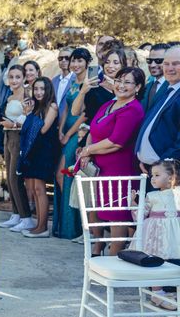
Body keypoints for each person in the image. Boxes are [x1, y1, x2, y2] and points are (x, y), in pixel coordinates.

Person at [78, 67, 146, 255]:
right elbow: (93, 129)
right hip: (101, 168)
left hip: (119, 169)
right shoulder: (109, 104)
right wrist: (89, 152)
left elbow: (116, 142)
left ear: (138, 87)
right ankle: (102, 250)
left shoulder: (133, 109)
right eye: (119, 80)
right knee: (102, 212)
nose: (121, 85)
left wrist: (87, 150)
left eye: (127, 82)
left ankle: (114, 258)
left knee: (117, 216)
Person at [53, 47, 92, 239]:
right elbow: (67, 108)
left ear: (87, 62)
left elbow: (84, 113)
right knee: (60, 176)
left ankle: (74, 228)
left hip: (78, 134)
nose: (75, 64)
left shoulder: (89, 83)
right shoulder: (72, 82)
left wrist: (68, 134)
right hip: (65, 131)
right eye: (73, 61)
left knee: (66, 176)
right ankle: (65, 225)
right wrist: (60, 129)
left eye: (79, 61)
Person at [132, 159, 180, 310]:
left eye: (157, 175)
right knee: (156, 262)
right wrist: (134, 203)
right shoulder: (151, 196)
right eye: (152, 175)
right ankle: (157, 293)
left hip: (176, 232)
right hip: (155, 234)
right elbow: (140, 216)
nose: (152, 178)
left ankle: (174, 291)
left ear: (171, 177)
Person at [18, 77, 60, 237]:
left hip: (44, 151)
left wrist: (29, 114)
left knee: (40, 189)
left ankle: (43, 227)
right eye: (36, 89)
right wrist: (28, 113)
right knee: (34, 189)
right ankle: (37, 224)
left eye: (42, 89)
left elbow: (42, 129)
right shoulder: (36, 107)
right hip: (32, 151)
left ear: (48, 90)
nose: (39, 92)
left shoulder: (52, 106)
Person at [0, 65, 33, 231]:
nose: (14, 80)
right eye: (11, 77)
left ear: (24, 78)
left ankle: (26, 217)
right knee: (9, 178)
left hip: (19, 137)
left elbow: (29, 117)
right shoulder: (9, 97)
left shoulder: (27, 96)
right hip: (7, 135)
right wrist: (1, 121)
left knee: (15, 177)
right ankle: (16, 214)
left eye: (18, 77)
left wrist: (14, 124)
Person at [136, 45, 180, 172]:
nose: (169, 68)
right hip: (150, 168)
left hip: (166, 171)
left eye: (176, 64)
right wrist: (143, 157)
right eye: (166, 64)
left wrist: (163, 165)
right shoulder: (169, 90)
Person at [71, 47, 125, 122]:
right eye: (107, 62)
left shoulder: (126, 89)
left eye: (115, 62)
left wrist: (117, 90)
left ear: (123, 66)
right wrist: (82, 91)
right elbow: (75, 112)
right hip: (91, 130)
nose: (110, 66)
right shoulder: (94, 86)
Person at [141, 43, 169, 113]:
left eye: (158, 61)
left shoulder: (174, 87)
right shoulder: (146, 87)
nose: (152, 65)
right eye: (149, 61)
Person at [52, 47, 74, 118]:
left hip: (70, 123)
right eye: (60, 58)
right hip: (54, 122)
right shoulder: (54, 80)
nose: (63, 60)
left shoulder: (78, 80)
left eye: (67, 58)